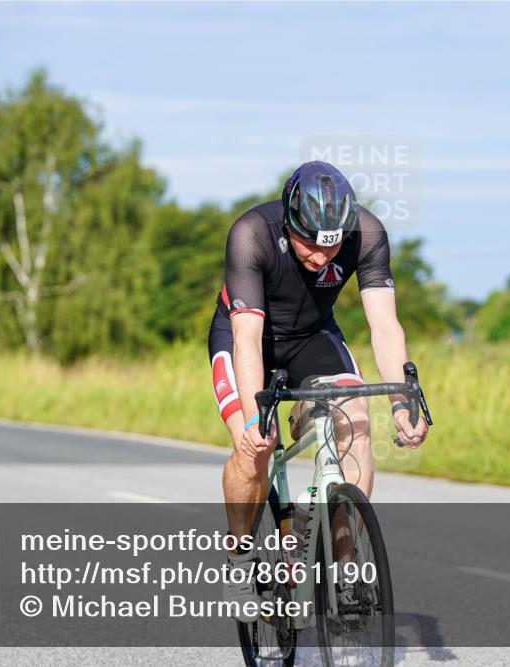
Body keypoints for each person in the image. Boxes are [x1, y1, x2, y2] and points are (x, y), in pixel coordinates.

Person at [208, 160, 429, 619]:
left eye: (332, 245)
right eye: (310, 243)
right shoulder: (252, 233)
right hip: (247, 337)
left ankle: (345, 570)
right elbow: (247, 338)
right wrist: (255, 417)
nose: (322, 257)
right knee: (255, 448)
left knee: (356, 425)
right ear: (289, 223)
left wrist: (401, 402)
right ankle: (239, 557)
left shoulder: (367, 232)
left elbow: (385, 327)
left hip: (313, 336)